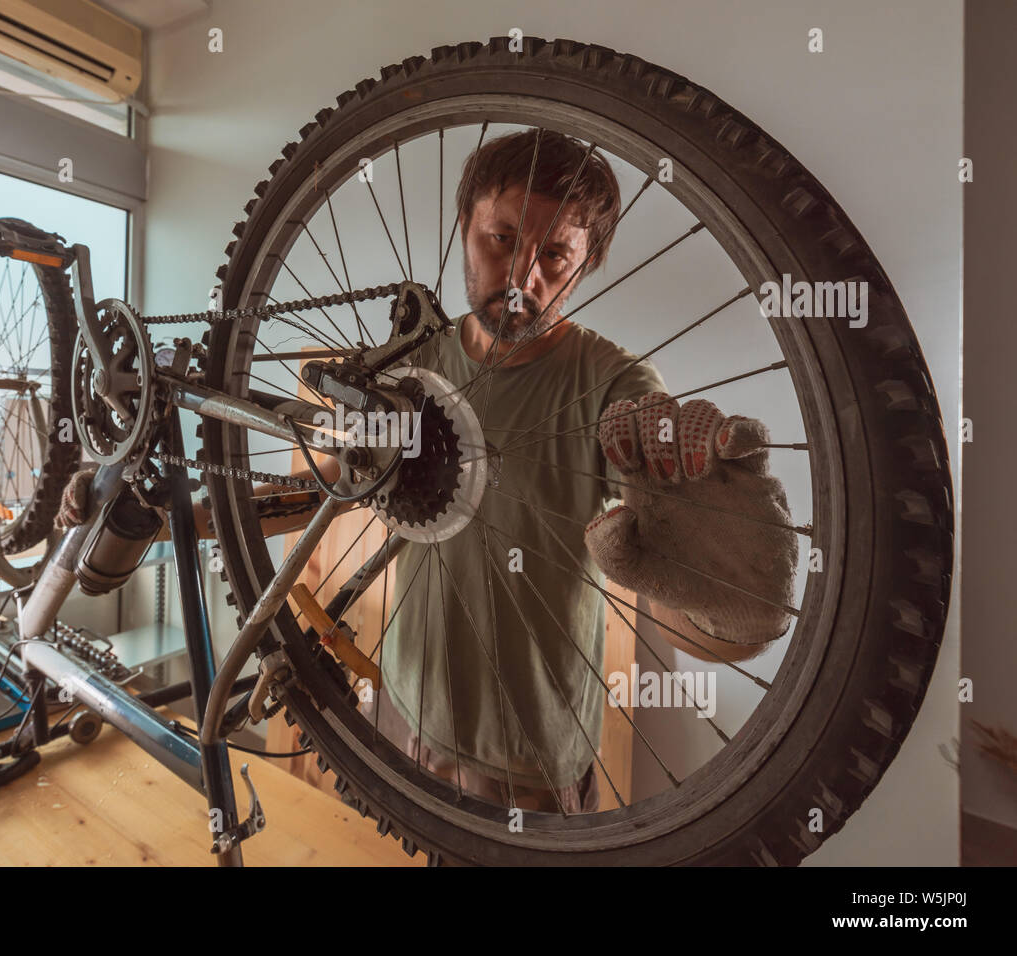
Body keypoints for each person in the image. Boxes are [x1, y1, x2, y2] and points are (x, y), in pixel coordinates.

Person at [57, 129, 798, 813]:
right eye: (500, 239)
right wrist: (153, 511)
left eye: (555, 257)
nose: (520, 278)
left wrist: (721, 606)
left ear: (588, 263)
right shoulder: (411, 368)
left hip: (530, 756)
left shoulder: (613, 384)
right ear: (463, 227)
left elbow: (685, 575)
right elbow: (318, 489)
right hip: (405, 716)